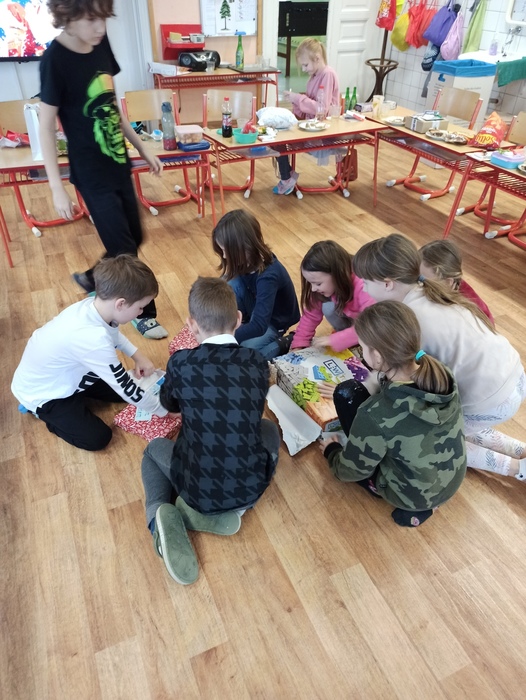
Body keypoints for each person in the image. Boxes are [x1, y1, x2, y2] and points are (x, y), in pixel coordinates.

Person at [39, 0, 167, 339]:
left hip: (118, 164)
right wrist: (56, 188)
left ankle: (92, 278)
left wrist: (141, 147)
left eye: (104, 19)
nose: (100, 28)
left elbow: (112, 105)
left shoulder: (99, 43)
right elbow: (45, 127)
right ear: (67, 16)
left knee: (136, 236)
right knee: (125, 248)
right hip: (91, 174)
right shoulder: (54, 60)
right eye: (91, 19)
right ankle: (144, 313)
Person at [352, 233, 526, 481]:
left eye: (366, 282)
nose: (363, 288)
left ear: (387, 284)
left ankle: (517, 469)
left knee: (438, 441)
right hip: (513, 377)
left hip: (490, 397)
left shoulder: (408, 318)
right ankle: (521, 450)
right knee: (465, 425)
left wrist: (366, 389)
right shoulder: (428, 291)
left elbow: (397, 376)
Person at [141, 277, 281, 585]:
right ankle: (233, 512)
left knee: (152, 450)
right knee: (269, 429)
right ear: (239, 319)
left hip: (194, 487)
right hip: (247, 489)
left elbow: (169, 404)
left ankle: (159, 516)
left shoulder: (181, 362)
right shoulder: (257, 362)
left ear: (191, 325)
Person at [319, 301, 466, 527]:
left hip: (414, 495)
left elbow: (351, 471)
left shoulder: (375, 414)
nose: (361, 352)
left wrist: (332, 452)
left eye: (361, 347)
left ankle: (413, 507)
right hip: (452, 480)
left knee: (347, 394)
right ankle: (424, 502)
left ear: (377, 357)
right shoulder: (441, 373)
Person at [11, 255, 168, 451]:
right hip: (45, 393)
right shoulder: (93, 339)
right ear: (120, 304)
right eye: (140, 307)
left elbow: (113, 334)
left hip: (68, 374)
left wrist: (138, 356)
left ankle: (76, 400)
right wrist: (164, 411)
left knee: (128, 392)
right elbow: (125, 387)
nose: (141, 312)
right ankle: (43, 414)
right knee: (98, 438)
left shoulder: (93, 308)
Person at [211, 209, 300, 360]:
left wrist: (227, 337)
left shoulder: (268, 276)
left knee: (246, 354)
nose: (224, 256)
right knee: (229, 285)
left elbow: (259, 325)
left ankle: (286, 341)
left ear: (244, 247)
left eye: (226, 251)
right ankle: (240, 325)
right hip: (256, 307)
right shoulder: (244, 260)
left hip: (274, 322)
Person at [276, 37, 340, 195]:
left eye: (305, 65)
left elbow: (321, 108)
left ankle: (287, 177)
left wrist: (297, 98)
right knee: (276, 135)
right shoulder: (315, 75)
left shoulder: (327, 74)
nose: (304, 69)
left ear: (317, 58)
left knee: (278, 141)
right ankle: (287, 176)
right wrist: (292, 114)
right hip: (313, 126)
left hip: (324, 131)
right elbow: (310, 103)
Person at [291, 240, 375, 353]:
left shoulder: (364, 286)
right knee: (328, 307)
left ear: (337, 274)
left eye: (318, 284)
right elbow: (310, 316)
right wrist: (299, 343)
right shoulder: (324, 284)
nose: (313, 289)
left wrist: (337, 339)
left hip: (376, 326)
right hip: (355, 320)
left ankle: (350, 338)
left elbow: (372, 325)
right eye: (310, 283)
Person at [419, 240, 494, 323]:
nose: (416, 284)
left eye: (422, 281)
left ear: (447, 282)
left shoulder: (468, 312)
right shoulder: (445, 285)